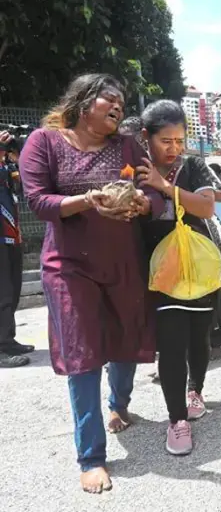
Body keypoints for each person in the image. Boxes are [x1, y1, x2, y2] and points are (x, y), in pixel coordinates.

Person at [19, 73, 163, 493]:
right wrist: (87, 200)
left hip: (123, 264)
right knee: (82, 353)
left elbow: (152, 194)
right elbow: (37, 201)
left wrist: (142, 203)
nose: (118, 106)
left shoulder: (127, 146)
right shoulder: (44, 142)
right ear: (84, 103)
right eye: (109, 99)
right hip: (68, 266)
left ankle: (118, 404)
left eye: (121, 101)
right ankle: (91, 455)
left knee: (123, 342)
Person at [135, 100, 220, 456]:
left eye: (179, 140)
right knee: (170, 344)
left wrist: (164, 187)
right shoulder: (133, 167)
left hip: (198, 265)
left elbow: (206, 207)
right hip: (160, 269)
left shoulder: (194, 166)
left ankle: (195, 389)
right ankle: (176, 421)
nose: (174, 148)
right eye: (166, 140)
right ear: (146, 137)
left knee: (199, 336)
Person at [0, 131, 34, 368]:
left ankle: (7, 339)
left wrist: (17, 153)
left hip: (11, 235)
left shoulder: (8, 166)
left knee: (11, 291)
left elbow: (22, 188)